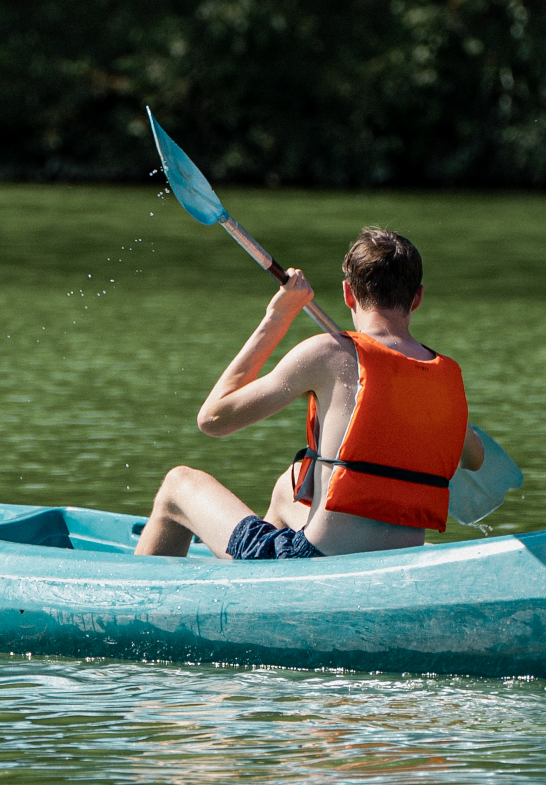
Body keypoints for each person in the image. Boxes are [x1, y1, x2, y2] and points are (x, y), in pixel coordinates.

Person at [135, 227, 486, 561]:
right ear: (418, 297)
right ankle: (251, 587)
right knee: (288, 486)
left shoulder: (328, 354)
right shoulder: (447, 374)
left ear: (349, 293)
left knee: (177, 484)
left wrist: (278, 316)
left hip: (317, 559)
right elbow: (474, 459)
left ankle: (135, 606)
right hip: (395, 563)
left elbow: (213, 419)